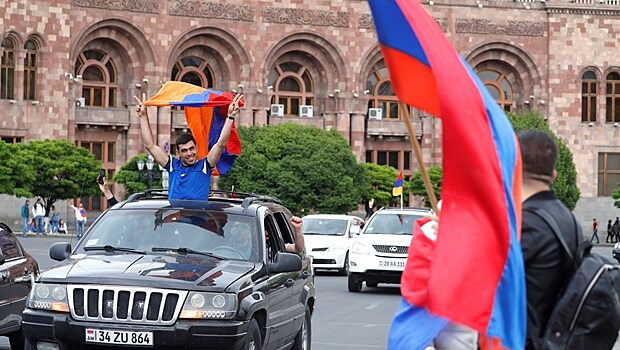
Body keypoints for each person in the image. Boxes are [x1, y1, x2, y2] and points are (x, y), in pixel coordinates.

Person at [518, 130, 582, 349]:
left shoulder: (522, 224)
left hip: (525, 340)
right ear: (553, 175)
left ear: (513, 167)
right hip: (556, 339)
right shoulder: (569, 220)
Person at [134, 93, 243, 200]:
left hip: (198, 216)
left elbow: (221, 144)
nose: (189, 153)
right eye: (184, 150)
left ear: (197, 148)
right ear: (178, 153)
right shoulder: (173, 166)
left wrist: (230, 116)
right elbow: (150, 145)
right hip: (175, 216)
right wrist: (143, 116)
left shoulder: (205, 166)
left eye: (191, 148)